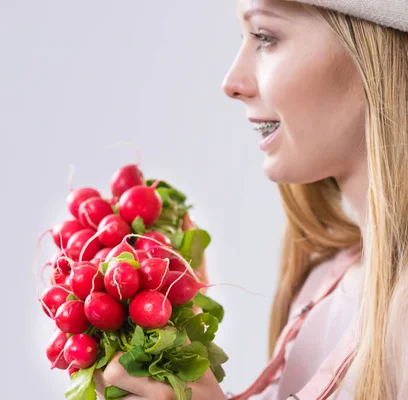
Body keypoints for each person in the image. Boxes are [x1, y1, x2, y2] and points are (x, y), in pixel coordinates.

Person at [93, 0, 408, 398]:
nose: (231, 82)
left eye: (265, 37)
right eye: (243, 38)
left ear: (375, 54)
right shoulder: (326, 285)